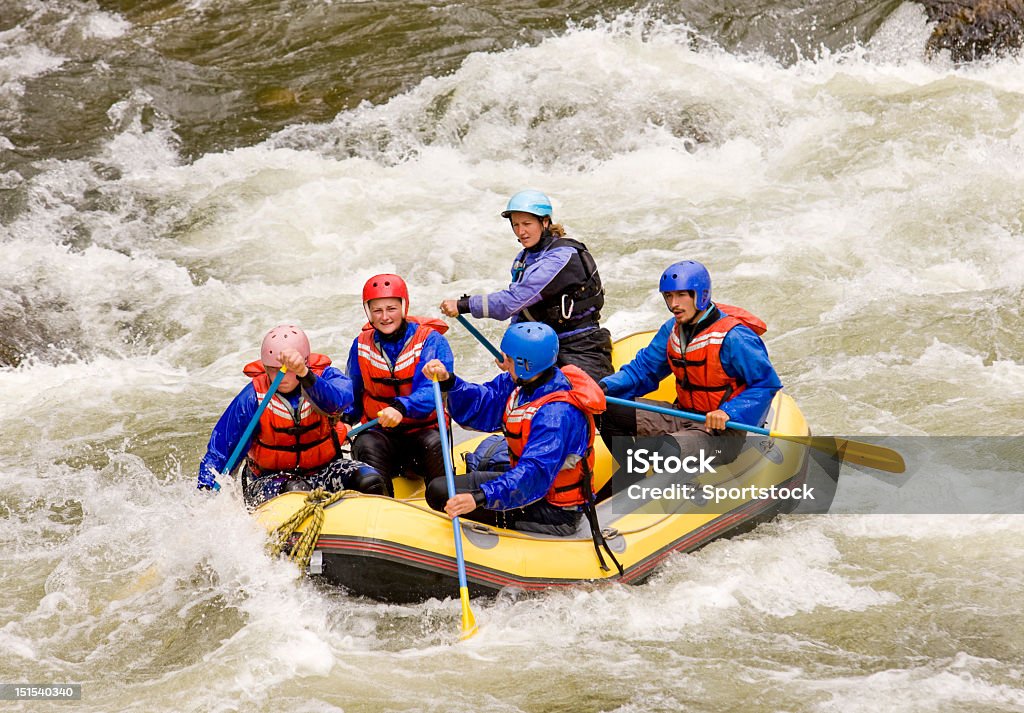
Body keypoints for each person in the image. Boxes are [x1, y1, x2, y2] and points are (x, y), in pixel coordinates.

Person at [420, 322, 606, 536]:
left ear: (525, 364)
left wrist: (480, 497)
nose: (502, 362)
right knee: (437, 489)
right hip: (530, 485)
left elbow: (533, 474)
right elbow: (485, 403)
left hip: (553, 509)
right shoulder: (522, 384)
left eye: (508, 359)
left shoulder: (556, 415)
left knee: (440, 493)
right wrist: (450, 382)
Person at [599, 260, 782, 468]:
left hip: (721, 433)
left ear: (701, 295)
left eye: (681, 295)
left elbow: (766, 384)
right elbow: (643, 369)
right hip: (682, 415)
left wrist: (729, 412)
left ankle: (683, 483)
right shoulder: (672, 330)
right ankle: (635, 480)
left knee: (665, 450)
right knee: (607, 411)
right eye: (668, 296)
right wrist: (603, 387)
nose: (673, 304)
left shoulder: (735, 337)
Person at [197, 324, 388, 506]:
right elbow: (220, 451)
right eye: (273, 369)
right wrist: (206, 493)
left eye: (289, 370)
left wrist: (305, 375)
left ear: (305, 362)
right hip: (269, 481)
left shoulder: (326, 377)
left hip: (324, 471)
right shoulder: (252, 398)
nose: (281, 377)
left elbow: (340, 401)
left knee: (370, 481)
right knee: (297, 491)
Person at [439, 190, 613, 383]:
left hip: (581, 345)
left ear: (545, 222)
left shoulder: (561, 257)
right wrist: (512, 353)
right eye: (516, 225)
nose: (521, 231)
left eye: (527, 224)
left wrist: (465, 305)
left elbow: (511, 302)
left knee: (593, 402)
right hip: (544, 348)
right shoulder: (524, 258)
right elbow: (521, 312)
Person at [346, 274, 455, 496]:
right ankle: (380, 505)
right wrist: (345, 421)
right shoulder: (361, 345)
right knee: (365, 445)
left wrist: (400, 407)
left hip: (422, 432)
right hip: (380, 434)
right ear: (368, 312)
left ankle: (443, 500)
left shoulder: (431, 341)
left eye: (391, 308)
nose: (385, 317)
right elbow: (353, 391)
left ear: (404, 307)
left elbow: (432, 391)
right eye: (377, 310)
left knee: (433, 443)